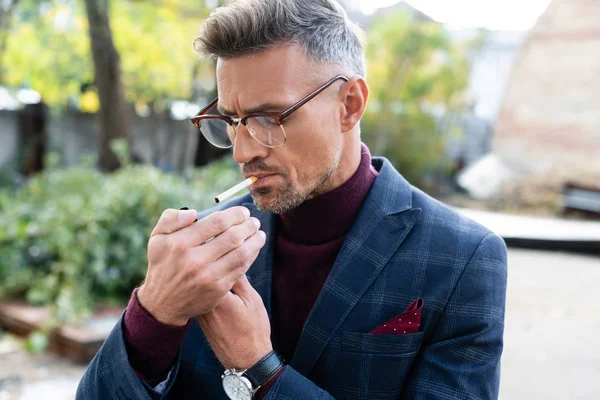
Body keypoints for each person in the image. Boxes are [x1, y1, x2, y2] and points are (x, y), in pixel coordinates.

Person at [76, 0, 507, 399]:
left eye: (269, 118)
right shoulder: (204, 248)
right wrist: (152, 314)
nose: (243, 152)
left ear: (350, 104)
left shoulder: (464, 258)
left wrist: (259, 370)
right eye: (232, 121)